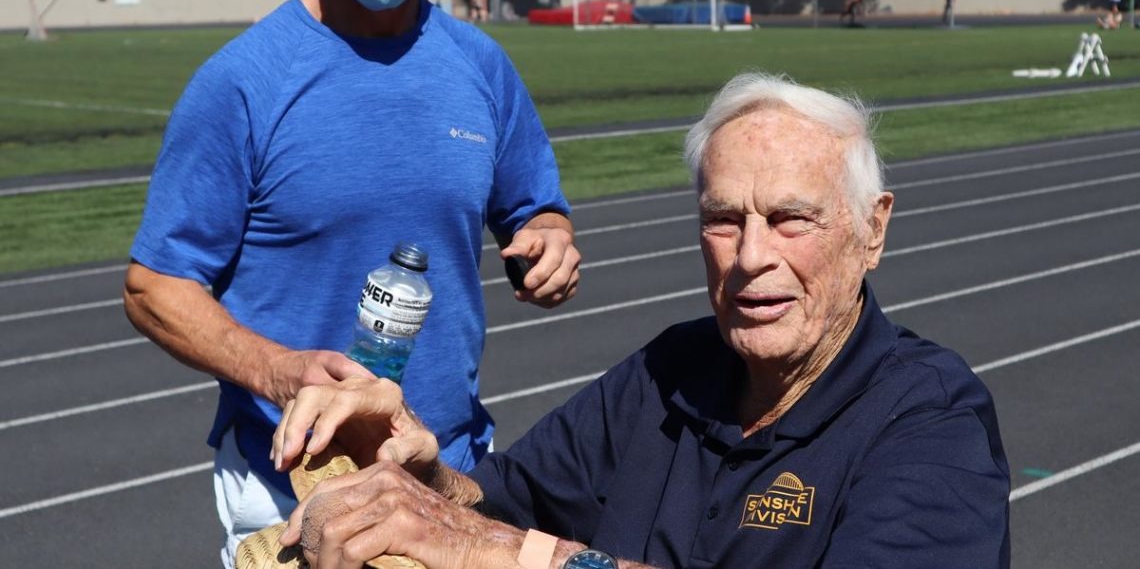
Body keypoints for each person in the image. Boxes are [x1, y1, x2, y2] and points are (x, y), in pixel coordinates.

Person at [269, 72, 1011, 569]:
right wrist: (417, 471)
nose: (752, 257)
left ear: (871, 230)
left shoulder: (930, 422)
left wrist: (498, 552)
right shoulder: (668, 373)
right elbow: (492, 503)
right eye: (723, 220)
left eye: (791, 219)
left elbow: (487, 540)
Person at [120, 0, 581, 565]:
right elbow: (154, 287)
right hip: (291, 486)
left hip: (448, 471)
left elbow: (534, 207)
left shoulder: (479, 63)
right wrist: (280, 372)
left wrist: (549, 235)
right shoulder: (243, 81)